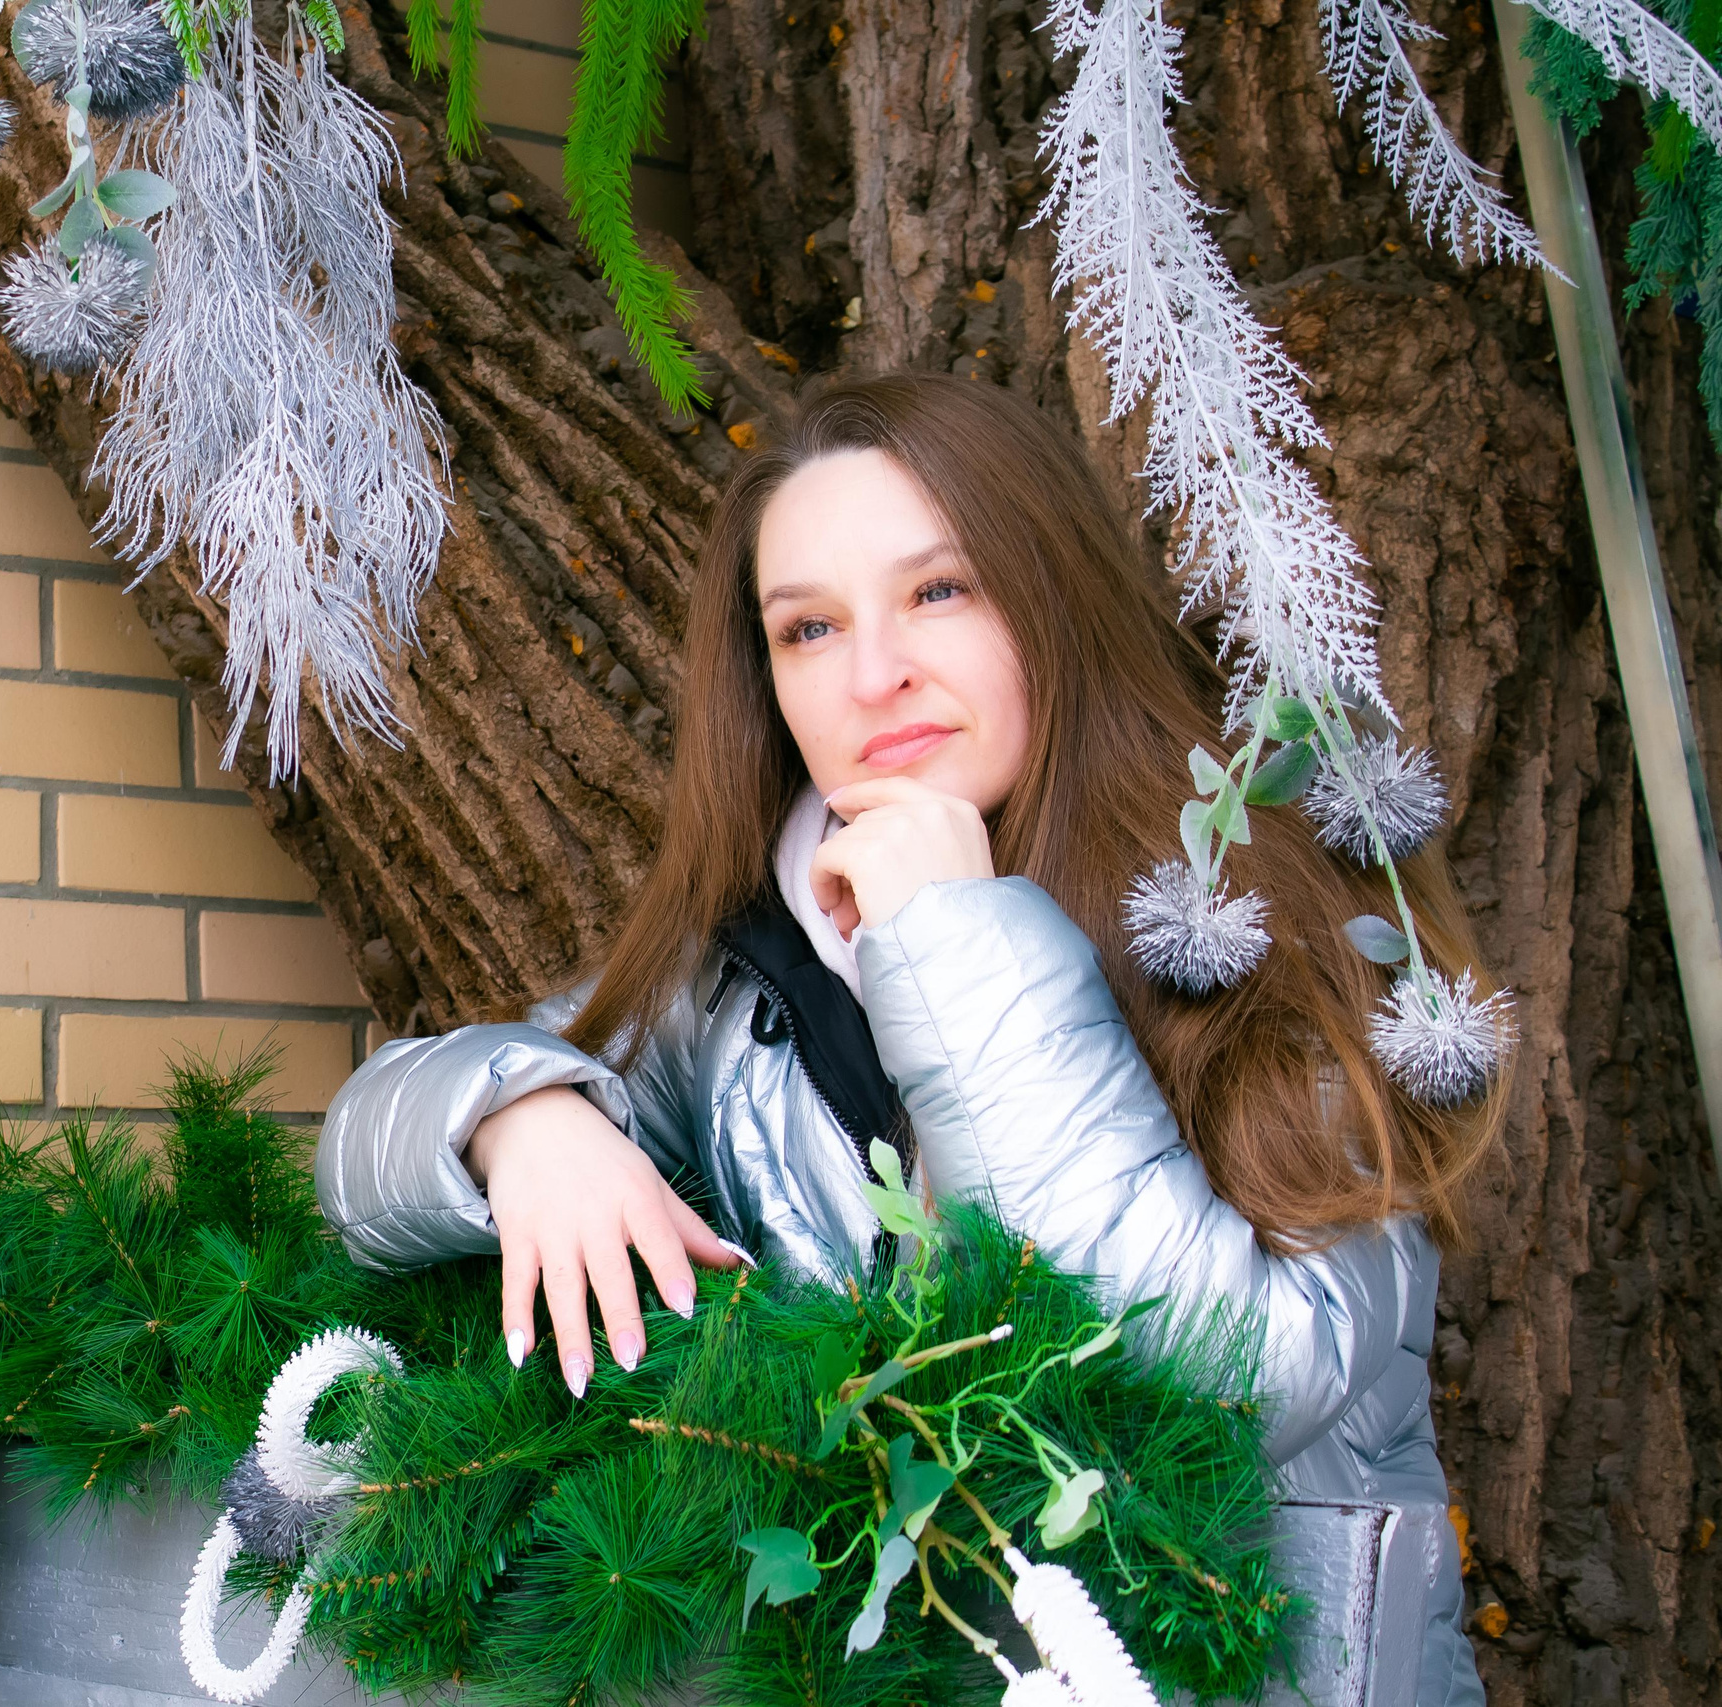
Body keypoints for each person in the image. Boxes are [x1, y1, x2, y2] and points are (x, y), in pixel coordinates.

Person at [313, 373, 1508, 1704]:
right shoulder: (743, 981)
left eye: (939, 591)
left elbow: (1224, 1385)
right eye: (808, 628)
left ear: (1053, 595)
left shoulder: (1277, 923)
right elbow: (364, 1155)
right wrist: (516, 1116)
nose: (874, 675)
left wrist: (955, 938)